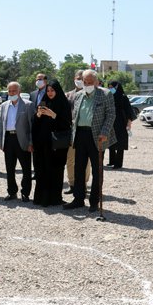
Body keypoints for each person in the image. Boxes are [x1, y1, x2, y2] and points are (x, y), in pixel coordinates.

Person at [63, 70, 116, 213]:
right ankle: (78, 199)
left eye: (90, 82)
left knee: (97, 170)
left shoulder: (105, 95)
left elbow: (111, 114)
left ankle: (94, 201)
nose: (87, 85)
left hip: (97, 136)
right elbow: (75, 116)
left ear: (97, 82)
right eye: (85, 82)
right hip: (80, 135)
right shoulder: (79, 95)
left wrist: (105, 132)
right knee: (79, 169)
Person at [32, 80, 72, 207]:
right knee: (41, 170)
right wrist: (38, 115)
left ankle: (55, 198)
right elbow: (35, 124)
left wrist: (54, 115)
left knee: (56, 171)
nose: (49, 93)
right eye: (48, 90)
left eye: (52, 90)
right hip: (43, 144)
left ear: (57, 91)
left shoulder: (63, 104)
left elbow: (66, 124)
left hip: (56, 145)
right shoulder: (44, 102)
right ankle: (41, 198)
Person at [0, 81, 33, 202]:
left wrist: (31, 143)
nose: (12, 93)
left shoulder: (28, 105)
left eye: (14, 91)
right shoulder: (4, 105)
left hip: (22, 140)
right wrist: (0, 141)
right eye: (10, 91)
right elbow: (1, 124)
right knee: (10, 168)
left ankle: (25, 192)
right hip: (8, 139)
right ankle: (12, 192)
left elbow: (32, 126)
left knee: (26, 168)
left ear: (19, 92)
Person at [65, 70, 90, 194]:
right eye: (77, 78)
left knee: (86, 161)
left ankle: (83, 184)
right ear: (74, 79)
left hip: (85, 132)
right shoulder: (68, 95)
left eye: (82, 78)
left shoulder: (90, 94)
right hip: (71, 133)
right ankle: (72, 184)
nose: (79, 80)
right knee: (70, 159)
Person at [106, 81, 135, 169]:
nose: (110, 89)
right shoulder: (109, 96)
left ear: (117, 87)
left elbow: (129, 111)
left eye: (112, 87)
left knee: (120, 143)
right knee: (111, 141)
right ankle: (112, 161)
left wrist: (129, 123)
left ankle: (118, 164)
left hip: (121, 122)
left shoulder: (123, 97)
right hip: (111, 121)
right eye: (109, 87)